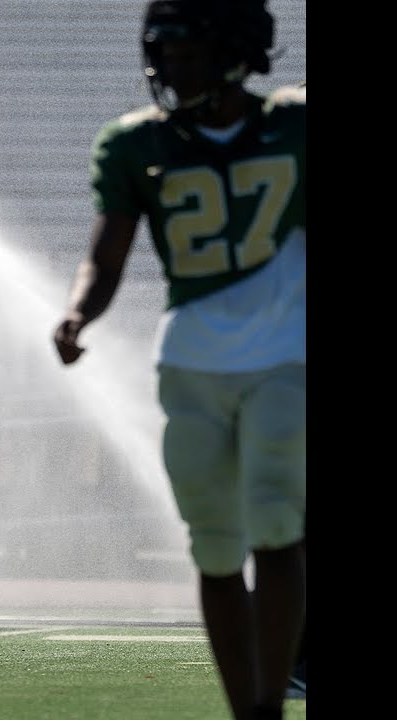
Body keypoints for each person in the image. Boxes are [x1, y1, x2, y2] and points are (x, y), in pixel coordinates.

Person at [51, 2, 304, 719]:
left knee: (279, 522)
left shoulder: (293, 124)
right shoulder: (135, 144)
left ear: (234, 50)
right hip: (191, 362)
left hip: (288, 356)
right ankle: (248, 710)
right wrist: (78, 313)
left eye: (188, 52)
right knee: (216, 546)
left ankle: (274, 703)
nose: (170, 68)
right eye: (163, 52)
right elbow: (105, 257)